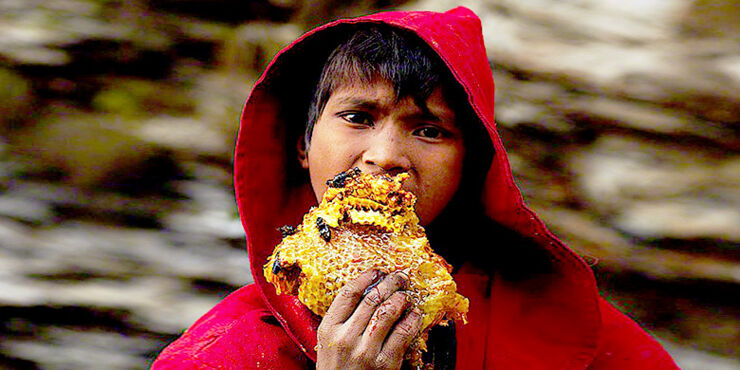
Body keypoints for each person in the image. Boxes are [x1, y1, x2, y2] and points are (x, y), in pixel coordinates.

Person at [151, 7, 679, 369]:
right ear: (303, 144)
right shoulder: (228, 351)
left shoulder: (576, 338)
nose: (384, 156)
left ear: (472, 164)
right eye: (358, 117)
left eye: (429, 130)